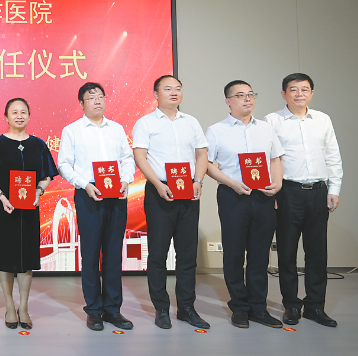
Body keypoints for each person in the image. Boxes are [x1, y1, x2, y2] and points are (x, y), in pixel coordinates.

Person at [132, 75, 210, 330]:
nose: (174, 92)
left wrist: (198, 180)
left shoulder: (191, 122)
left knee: (187, 254)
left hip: (188, 189)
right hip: (160, 190)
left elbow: (201, 154)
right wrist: (157, 184)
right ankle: (162, 309)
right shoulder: (146, 123)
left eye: (178, 88)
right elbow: (140, 157)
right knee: (158, 254)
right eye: (167, 89)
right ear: (156, 94)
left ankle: (187, 308)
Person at [265, 73, 342, 328]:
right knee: (287, 251)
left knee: (317, 252)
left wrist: (334, 188)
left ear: (312, 93)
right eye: (293, 89)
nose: (299, 94)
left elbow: (333, 156)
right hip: (288, 192)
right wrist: (273, 192)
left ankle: (315, 306)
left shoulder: (322, 119)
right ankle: (291, 305)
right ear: (284, 94)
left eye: (305, 89)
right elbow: (267, 159)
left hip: (319, 191)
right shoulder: (272, 121)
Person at [57, 82, 135, 332]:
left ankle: (113, 309)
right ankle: (93, 310)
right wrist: (85, 184)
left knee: (113, 254)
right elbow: (64, 164)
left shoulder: (117, 129)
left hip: (116, 195)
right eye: (91, 98)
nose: (97, 101)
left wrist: (126, 180)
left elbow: (127, 158)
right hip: (88, 195)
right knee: (90, 254)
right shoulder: (72, 130)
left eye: (101, 96)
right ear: (82, 104)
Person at [205, 81, 284, 328]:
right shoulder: (216, 130)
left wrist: (278, 184)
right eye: (240, 95)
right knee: (234, 254)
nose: (247, 99)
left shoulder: (266, 128)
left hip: (263, 196)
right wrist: (231, 183)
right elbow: (206, 164)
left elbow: (275, 159)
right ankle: (239, 307)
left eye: (250, 94)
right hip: (233, 196)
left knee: (260, 255)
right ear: (228, 101)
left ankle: (259, 307)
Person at [0, 98, 58, 329]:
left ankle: (23, 307)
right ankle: (9, 305)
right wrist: (2, 197)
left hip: (30, 208)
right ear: (6, 117)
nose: (19, 116)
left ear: (29, 116)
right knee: (5, 258)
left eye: (23, 112)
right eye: (14, 112)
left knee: (27, 259)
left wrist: (39, 191)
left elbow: (46, 175)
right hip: (5, 208)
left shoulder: (38, 145)